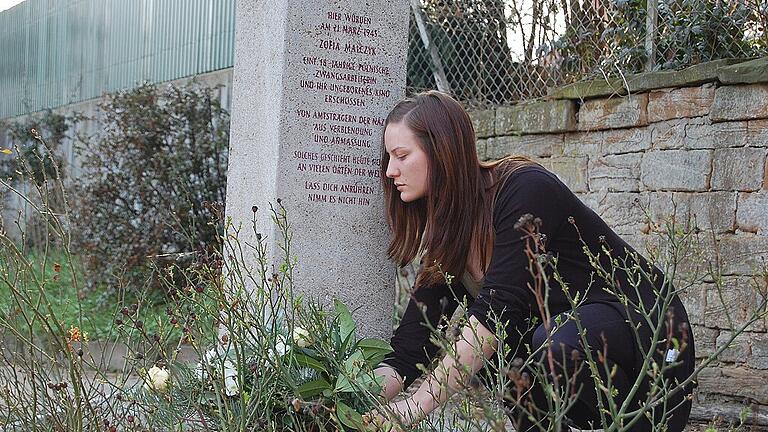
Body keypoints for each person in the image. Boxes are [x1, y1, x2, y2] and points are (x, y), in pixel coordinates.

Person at [369, 91, 695, 431]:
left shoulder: (524, 189)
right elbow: (409, 351)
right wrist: (345, 398)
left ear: (442, 150)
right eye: (389, 158)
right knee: (508, 356)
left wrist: (408, 411)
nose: (390, 170)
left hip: (654, 343)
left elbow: (493, 319)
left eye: (402, 156)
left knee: (532, 341)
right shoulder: (449, 238)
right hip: (567, 349)